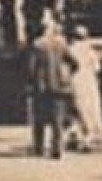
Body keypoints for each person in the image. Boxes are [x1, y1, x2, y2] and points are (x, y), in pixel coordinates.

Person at [26, 15, 77, 160]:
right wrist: (67, 74)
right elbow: (74, 62)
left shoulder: (37, 44)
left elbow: (31, 67)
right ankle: (56, 150)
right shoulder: (62, 43)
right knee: (57, 120)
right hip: (60, 86)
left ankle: (39, 148)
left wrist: (31, 81)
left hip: (41, 87)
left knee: (39, 119)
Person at [67, 23, 102, 151]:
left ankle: (75, 135)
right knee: (89, 108)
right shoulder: (90, 51)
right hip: (88, 80)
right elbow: (97, 68)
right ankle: (86, 137)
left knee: (75, 108)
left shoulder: (70, 49)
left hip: (74, 80)